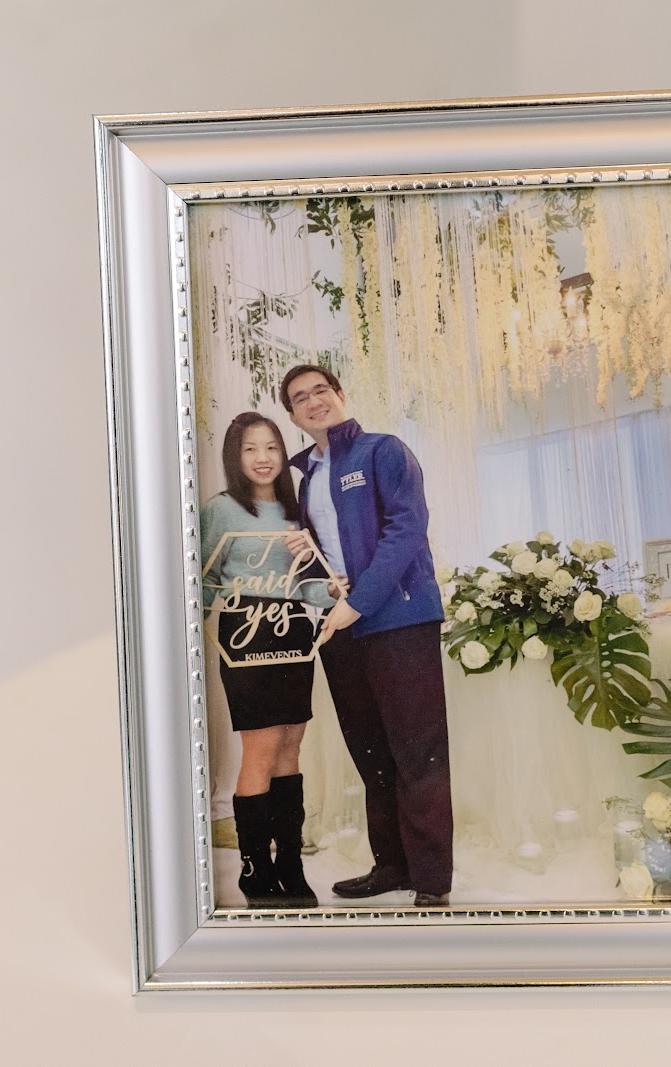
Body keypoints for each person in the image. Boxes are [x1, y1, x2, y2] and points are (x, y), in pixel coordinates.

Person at [279, 364, 454, 908]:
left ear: (340, 395)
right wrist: (311, 558)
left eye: (321, 390)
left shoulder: (382, 451)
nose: (314, 401)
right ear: (293, 416)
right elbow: (333, 554)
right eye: (300, 398)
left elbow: (406, 531)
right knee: (371, 752)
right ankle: (392, 866)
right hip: (341, 627)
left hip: (398, 619)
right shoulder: (306, 476)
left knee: (418, 752)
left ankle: (431, 881)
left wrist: (358, 603)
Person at [199, 412, 336, 909]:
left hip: (295, 630)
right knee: (259, 750)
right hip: (246, 629)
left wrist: (332, 588)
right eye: (250, 449)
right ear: (235, 457)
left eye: (272, 447)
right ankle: (255, 872)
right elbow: (203, 579)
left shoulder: (298, 513)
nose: (263, 458)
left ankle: (291, 866)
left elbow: (309, 587)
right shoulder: (220, 510)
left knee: (290, 747)